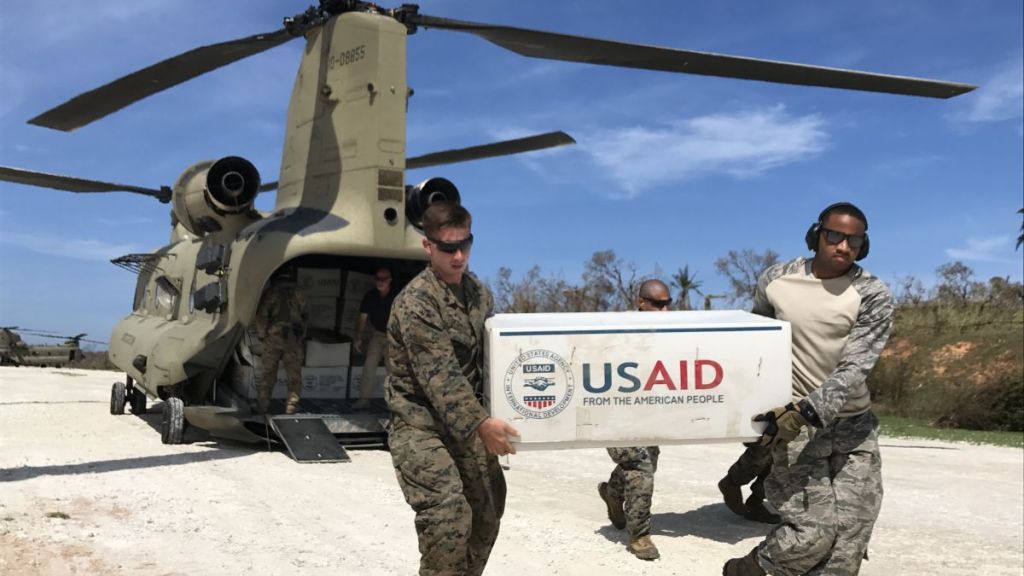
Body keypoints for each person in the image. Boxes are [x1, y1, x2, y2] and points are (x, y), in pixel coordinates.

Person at [723, 202, 893, 576]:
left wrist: (805, 412)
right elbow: (757, 341)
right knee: (811, 535)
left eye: (854, 240)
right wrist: (750, 406)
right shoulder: (776, 279)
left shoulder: (873, 293)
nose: (843, 247)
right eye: (835, 236)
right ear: (817, 235)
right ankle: (747, 570)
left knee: (849, 541)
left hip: (853, 429)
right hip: (795, 431)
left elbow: (855, 366)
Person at [385, 201, 520, 576]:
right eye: (448, 248)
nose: (459, 255)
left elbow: (492, 360)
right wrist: (482, 425)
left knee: (489, 507)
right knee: (448, 514)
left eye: (466, 244)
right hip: (420, 426)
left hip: (466, 424)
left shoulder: (479, 294)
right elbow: (441, 378)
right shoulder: (417, 302)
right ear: (428, 247)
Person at [597, 278, 672, 561]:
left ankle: (613, 494)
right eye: (657, 304)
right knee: (640, 466)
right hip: (615, 414)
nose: (664, 311)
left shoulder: (671, 334)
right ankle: (639, 535)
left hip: (648, 413)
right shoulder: (618, 332)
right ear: (641, 302)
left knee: (647, 460)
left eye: (668, 304)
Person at [254, 267, 308, 415]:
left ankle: (263, 405)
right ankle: (292, 405)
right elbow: (305, 316)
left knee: (268, 373)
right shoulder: (299, 293)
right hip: (293, 338)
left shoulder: (271, 293)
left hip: (273, 337)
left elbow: (261, 315)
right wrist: (301, 335)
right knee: (294, 374)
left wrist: (262, 334)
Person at [352, 265, 396, 410]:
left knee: (393, 371)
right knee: (369, 367)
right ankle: (364, 400)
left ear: (390, 280)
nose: (380, 282)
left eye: (383, 279)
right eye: (377, 278)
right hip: (377, 335)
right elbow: (363, 318)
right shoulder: (370, 295)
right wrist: (358, 337)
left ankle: (395, 404)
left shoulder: (397, 296)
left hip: (393, 337)